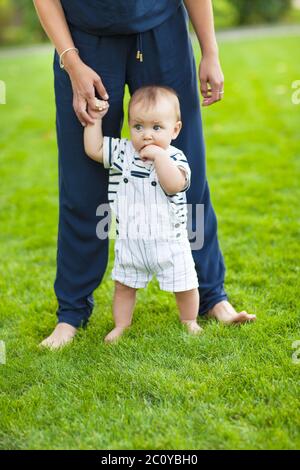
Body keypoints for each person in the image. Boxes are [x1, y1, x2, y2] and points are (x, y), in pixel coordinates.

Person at [33, 0, 256, 349]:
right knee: (81, 184)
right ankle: (71, 314)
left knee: (186, 177)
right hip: (83, 42)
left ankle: (212, 296)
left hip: (161, 34)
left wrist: (210, 50)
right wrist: (71, 62)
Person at [84, 85, 203, 342]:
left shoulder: (176, 158)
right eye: (138, 126)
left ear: (175, 129)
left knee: (185, 284)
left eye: (156, 127)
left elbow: (174, 185)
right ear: (129, 127)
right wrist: (94, 119)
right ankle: (121, 325)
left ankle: (189, 320)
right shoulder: (123, 152)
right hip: (130, 239)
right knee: (124, 286)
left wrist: (160, 157)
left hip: (169, 241)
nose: (146, 135)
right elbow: (93, 149)